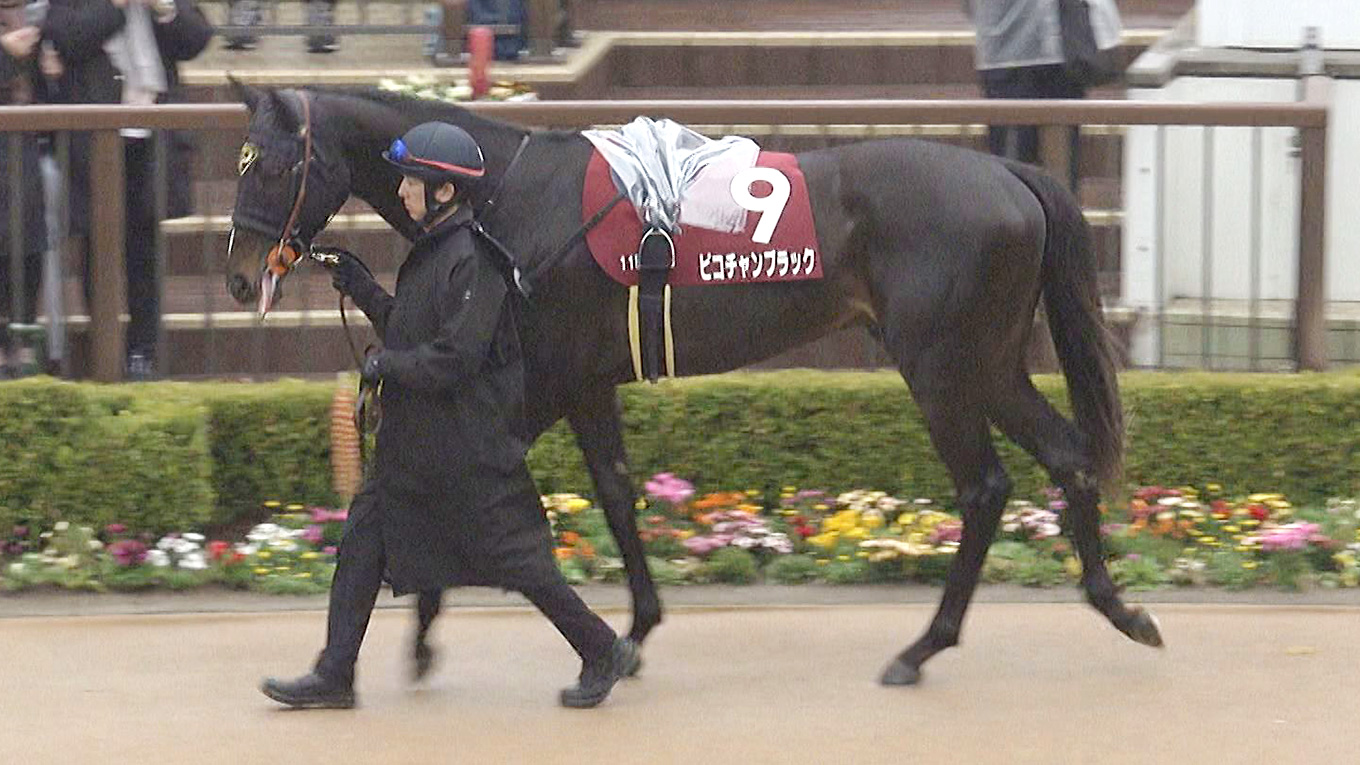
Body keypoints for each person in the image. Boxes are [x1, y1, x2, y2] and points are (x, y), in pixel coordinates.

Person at [260, 121, 638, 710]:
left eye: (412, 182)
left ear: (444, 191)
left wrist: (386, 366)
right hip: (415, 448)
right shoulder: (435, 254)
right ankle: (335, 673)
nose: (401, 192)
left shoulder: (474, 262)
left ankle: (601, 648)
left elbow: (456, 359)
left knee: (523, 565)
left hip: (465, 453)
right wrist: (362, 287)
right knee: (361, 546)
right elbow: (410, 330)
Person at [43, 0, 213, 379]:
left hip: (150, 136)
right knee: (96, 245)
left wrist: (164, 8)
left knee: (144, 249)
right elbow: (65, 37)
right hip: (95, 138)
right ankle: (104, 348)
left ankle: (143, 352)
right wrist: (115, 6)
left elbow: (197, 37)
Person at [965, 0, 1119, 190]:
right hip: (1017, 50)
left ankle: (1053, 205)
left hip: (1051, 50)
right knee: (1020, 167)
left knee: (1031, 166)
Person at [0, 1, 47, 377]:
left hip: (23, 153)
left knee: (28, 242)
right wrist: (5, 53)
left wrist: (47, 67)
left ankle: (24, 344)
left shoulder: (33, 17)